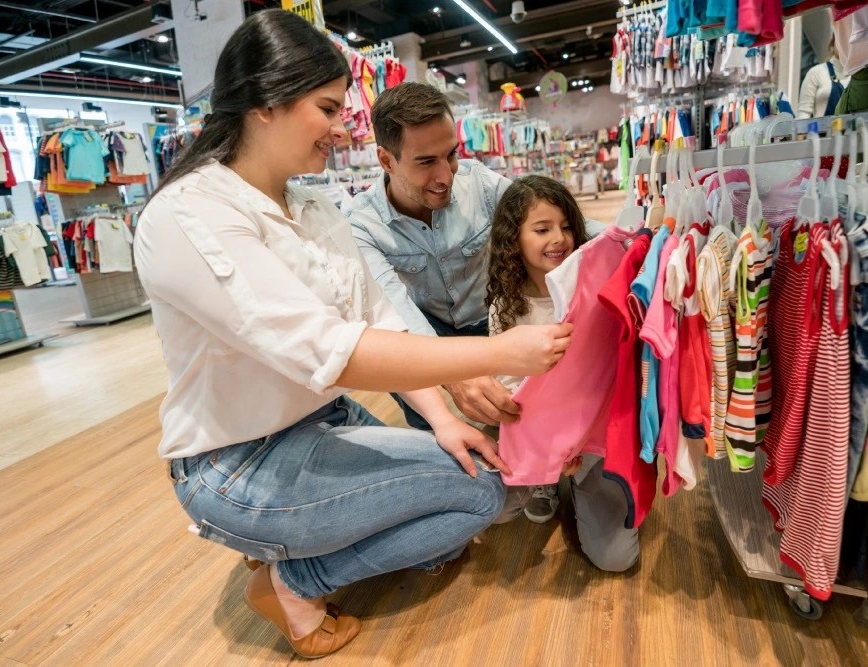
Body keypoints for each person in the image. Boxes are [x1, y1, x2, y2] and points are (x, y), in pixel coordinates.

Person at [133, 10, 572, 659]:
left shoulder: (309, 206)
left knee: (471, 477)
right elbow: (330, 348)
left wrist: (442, 420)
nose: (342, 128)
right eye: (328, 107)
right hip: (236, 460)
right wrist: (499, 351)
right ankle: (297, 577)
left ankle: (300, 539)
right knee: (478, 495)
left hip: (321, 420)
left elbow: (376, 316)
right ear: (265, 104)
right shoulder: (190, 216)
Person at [344, 83, 603, 431]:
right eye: (426, 162)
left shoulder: (478, 182)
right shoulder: (362, 225)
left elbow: (545, 216)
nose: (446, 174)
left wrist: (637, 239)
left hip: (493, 317)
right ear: (386, 160)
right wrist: (453, 376)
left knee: (521, 414)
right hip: (427, 332)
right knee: (440, 431)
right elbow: (396, 312)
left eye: (450, 154)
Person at [485, 175, 640, 572]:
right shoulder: (507, 305)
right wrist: (551, 450)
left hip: (593, 433)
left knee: (617, 559)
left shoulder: (592, 287)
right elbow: (511, 390)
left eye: (567, 226)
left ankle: (583, 483)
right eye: (542, 229)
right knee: (495, 511)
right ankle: (546, 482)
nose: (559, 238)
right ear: (513, 239)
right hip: (540, 434)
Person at [796, 36, 850, 119]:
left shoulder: (857, 76)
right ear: (833, 43)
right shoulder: (816, 72)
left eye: (848, 41)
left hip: (849, 131)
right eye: (841, 40)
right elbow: (803, 114)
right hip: (819, 131)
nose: (844, 45)